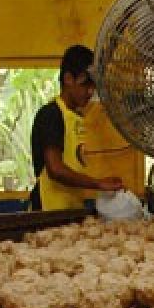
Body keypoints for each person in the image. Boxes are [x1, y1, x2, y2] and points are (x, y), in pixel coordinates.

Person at [28, 44, 123, 211]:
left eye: (93, 86)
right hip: (47, 210)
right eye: (85, 84)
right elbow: (55, 170)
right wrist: (98, 183)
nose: (90, 91)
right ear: (68, 79)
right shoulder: (51, 114)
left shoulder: (76, 116)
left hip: (70, 208)